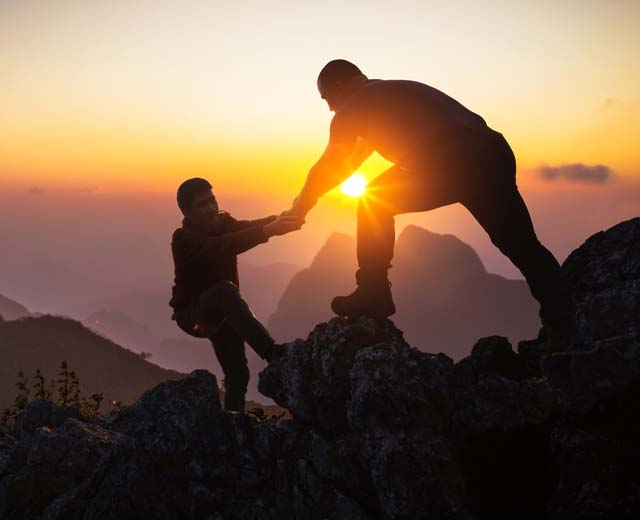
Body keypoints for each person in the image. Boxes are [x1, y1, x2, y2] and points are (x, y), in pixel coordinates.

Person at [286, 59, 574, 352]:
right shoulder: (390, 94)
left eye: (327, 99)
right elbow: (353, 160)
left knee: (374, 199)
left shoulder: (352, 108)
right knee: (523, 246)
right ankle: (565, 326)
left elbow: (330, 167)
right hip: (492, 152)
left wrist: (300, 207)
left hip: (451, 161)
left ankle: (373, 291)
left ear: (340, 85)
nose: (330, 108)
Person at [169, 178, 303, 412]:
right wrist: (269, 230)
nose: (211, 208)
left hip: (224, 310)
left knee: (238, 374)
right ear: (187, 212)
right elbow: (224, 245)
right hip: (193, 315)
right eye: (202, 204)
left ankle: (233, 422)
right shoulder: (182, 240)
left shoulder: (222, 223)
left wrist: (282, 218)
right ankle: (272, 353)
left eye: (212, 200)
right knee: (225, 290)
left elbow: (246, 228)